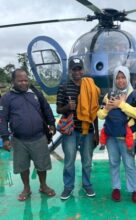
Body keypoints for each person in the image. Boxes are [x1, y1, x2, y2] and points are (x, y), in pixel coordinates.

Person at [0, 69, 56, 201]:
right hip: (19, 140)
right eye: (20, 80)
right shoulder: (7, 98)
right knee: (23, 166)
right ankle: (26, 188)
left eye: (26, 80)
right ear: (13, 81)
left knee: (42, 165)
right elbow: (1, 118)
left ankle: (43, 185)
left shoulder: (35, 93)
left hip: (39, 137)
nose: (24, 83)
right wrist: (5, 137)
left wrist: (52, 123)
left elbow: (46, 107)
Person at [97, 66, 136, 203]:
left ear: (128, 78)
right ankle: (116, 187)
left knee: (129, 164)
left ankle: (135, 189)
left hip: (128, 137)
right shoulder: (108, 95)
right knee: (113, 163)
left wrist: (120, 104)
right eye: (118, 77)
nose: (120, 80)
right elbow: (100, 115)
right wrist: (107, 108)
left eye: (123, 77)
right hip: (111, 136)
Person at [56, 58, 100, 200]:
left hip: (88, 131)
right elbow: (58, 109)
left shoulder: (90, 86)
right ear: (70, 71)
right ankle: (68, 187)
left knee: (87, 161)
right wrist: (67, 108)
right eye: (74, 69)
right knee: (69, 161)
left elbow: (94, 111)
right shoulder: (63, 87)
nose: (77, 72)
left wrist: (97, 133)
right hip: (71, 130)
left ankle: (87, 184)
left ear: (83, 70)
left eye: (79, 69)